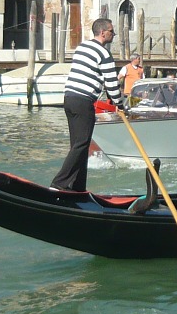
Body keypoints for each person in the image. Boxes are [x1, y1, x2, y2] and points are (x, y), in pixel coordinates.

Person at [51, 18, 125, 192]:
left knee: (79, 146)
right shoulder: (104, 54)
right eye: (111, 31)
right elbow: (112, 84)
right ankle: (58, 184)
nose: (113, 34)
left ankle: (77, 188)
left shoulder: (82, 47)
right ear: (103, 32)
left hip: (69, 98)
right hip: (83, 101)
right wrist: (120, 104)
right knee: (82, 144)